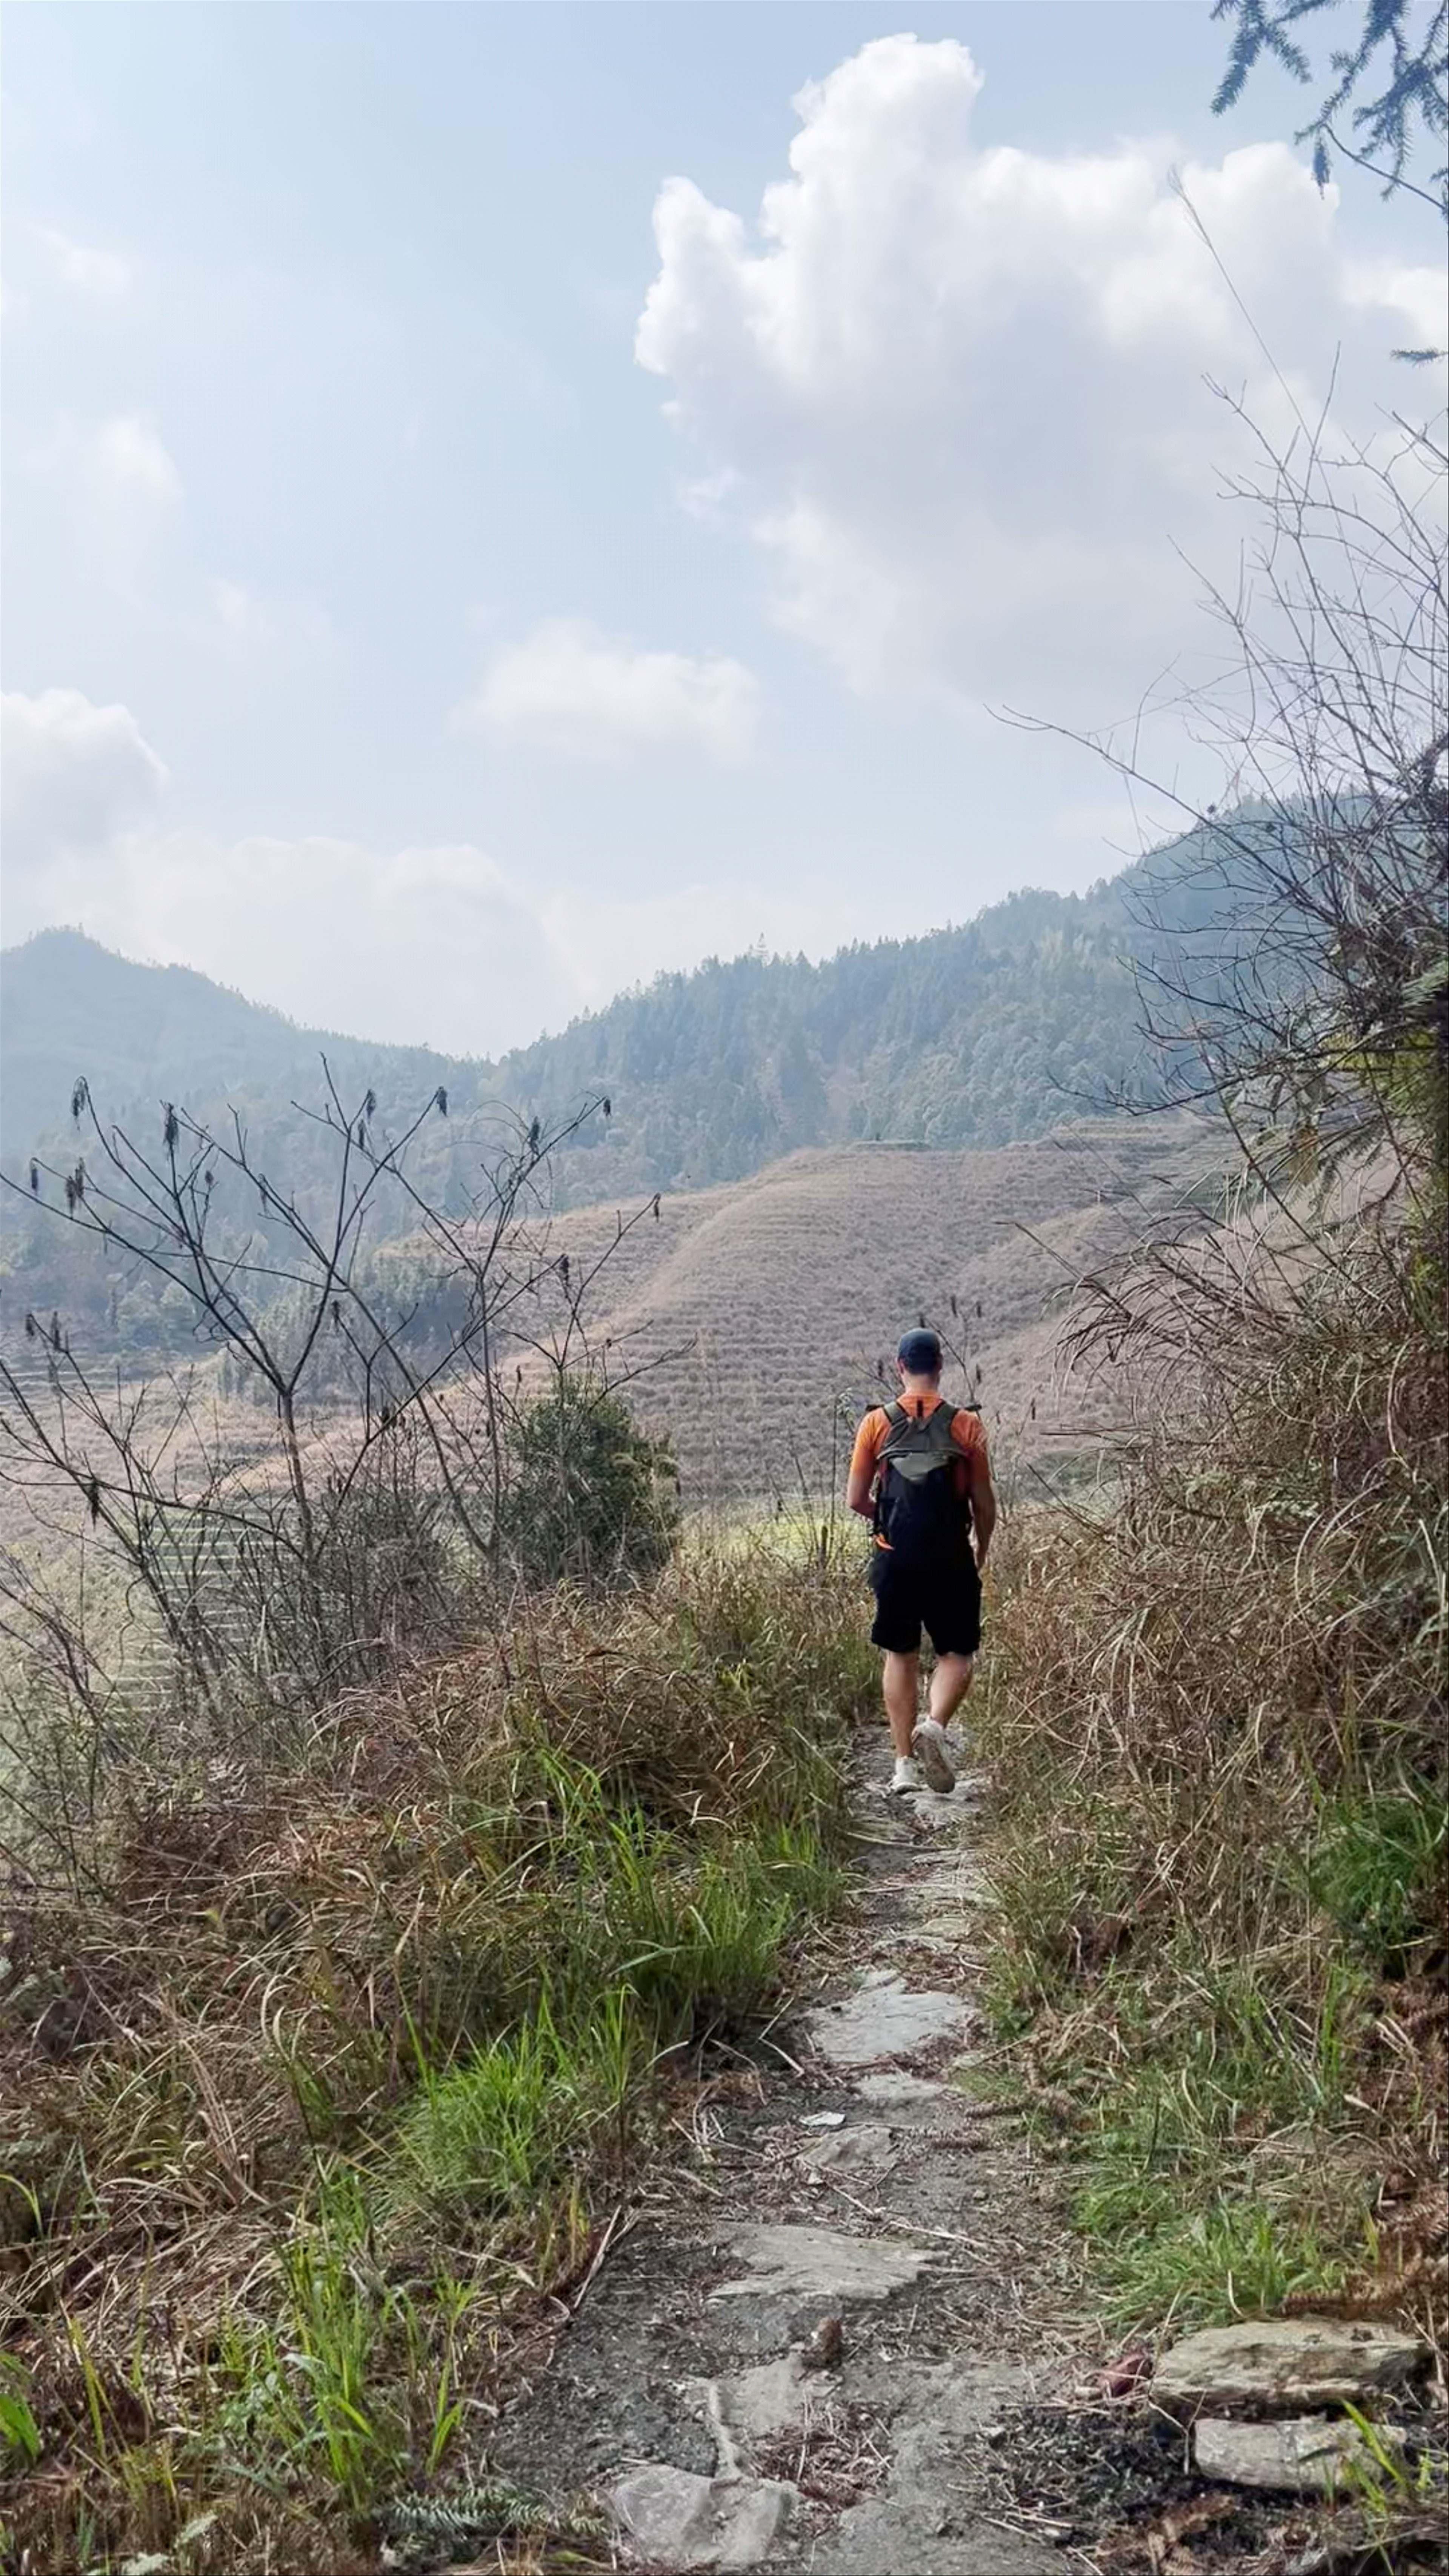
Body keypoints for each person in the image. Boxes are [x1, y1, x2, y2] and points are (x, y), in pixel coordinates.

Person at [846, 1327, 996, 1795]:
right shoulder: (966, 1426)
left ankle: (903, 1768)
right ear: (940, 1366)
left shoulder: (875, 1424)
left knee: (901, 1653)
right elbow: (984, 1503)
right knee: (957, 1652)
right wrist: (981, 1546)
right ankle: (934, 1726)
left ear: (900, 1367)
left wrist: (890, 1520)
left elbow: (855, 1499)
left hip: (896, 1557)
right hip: (950, 1553)